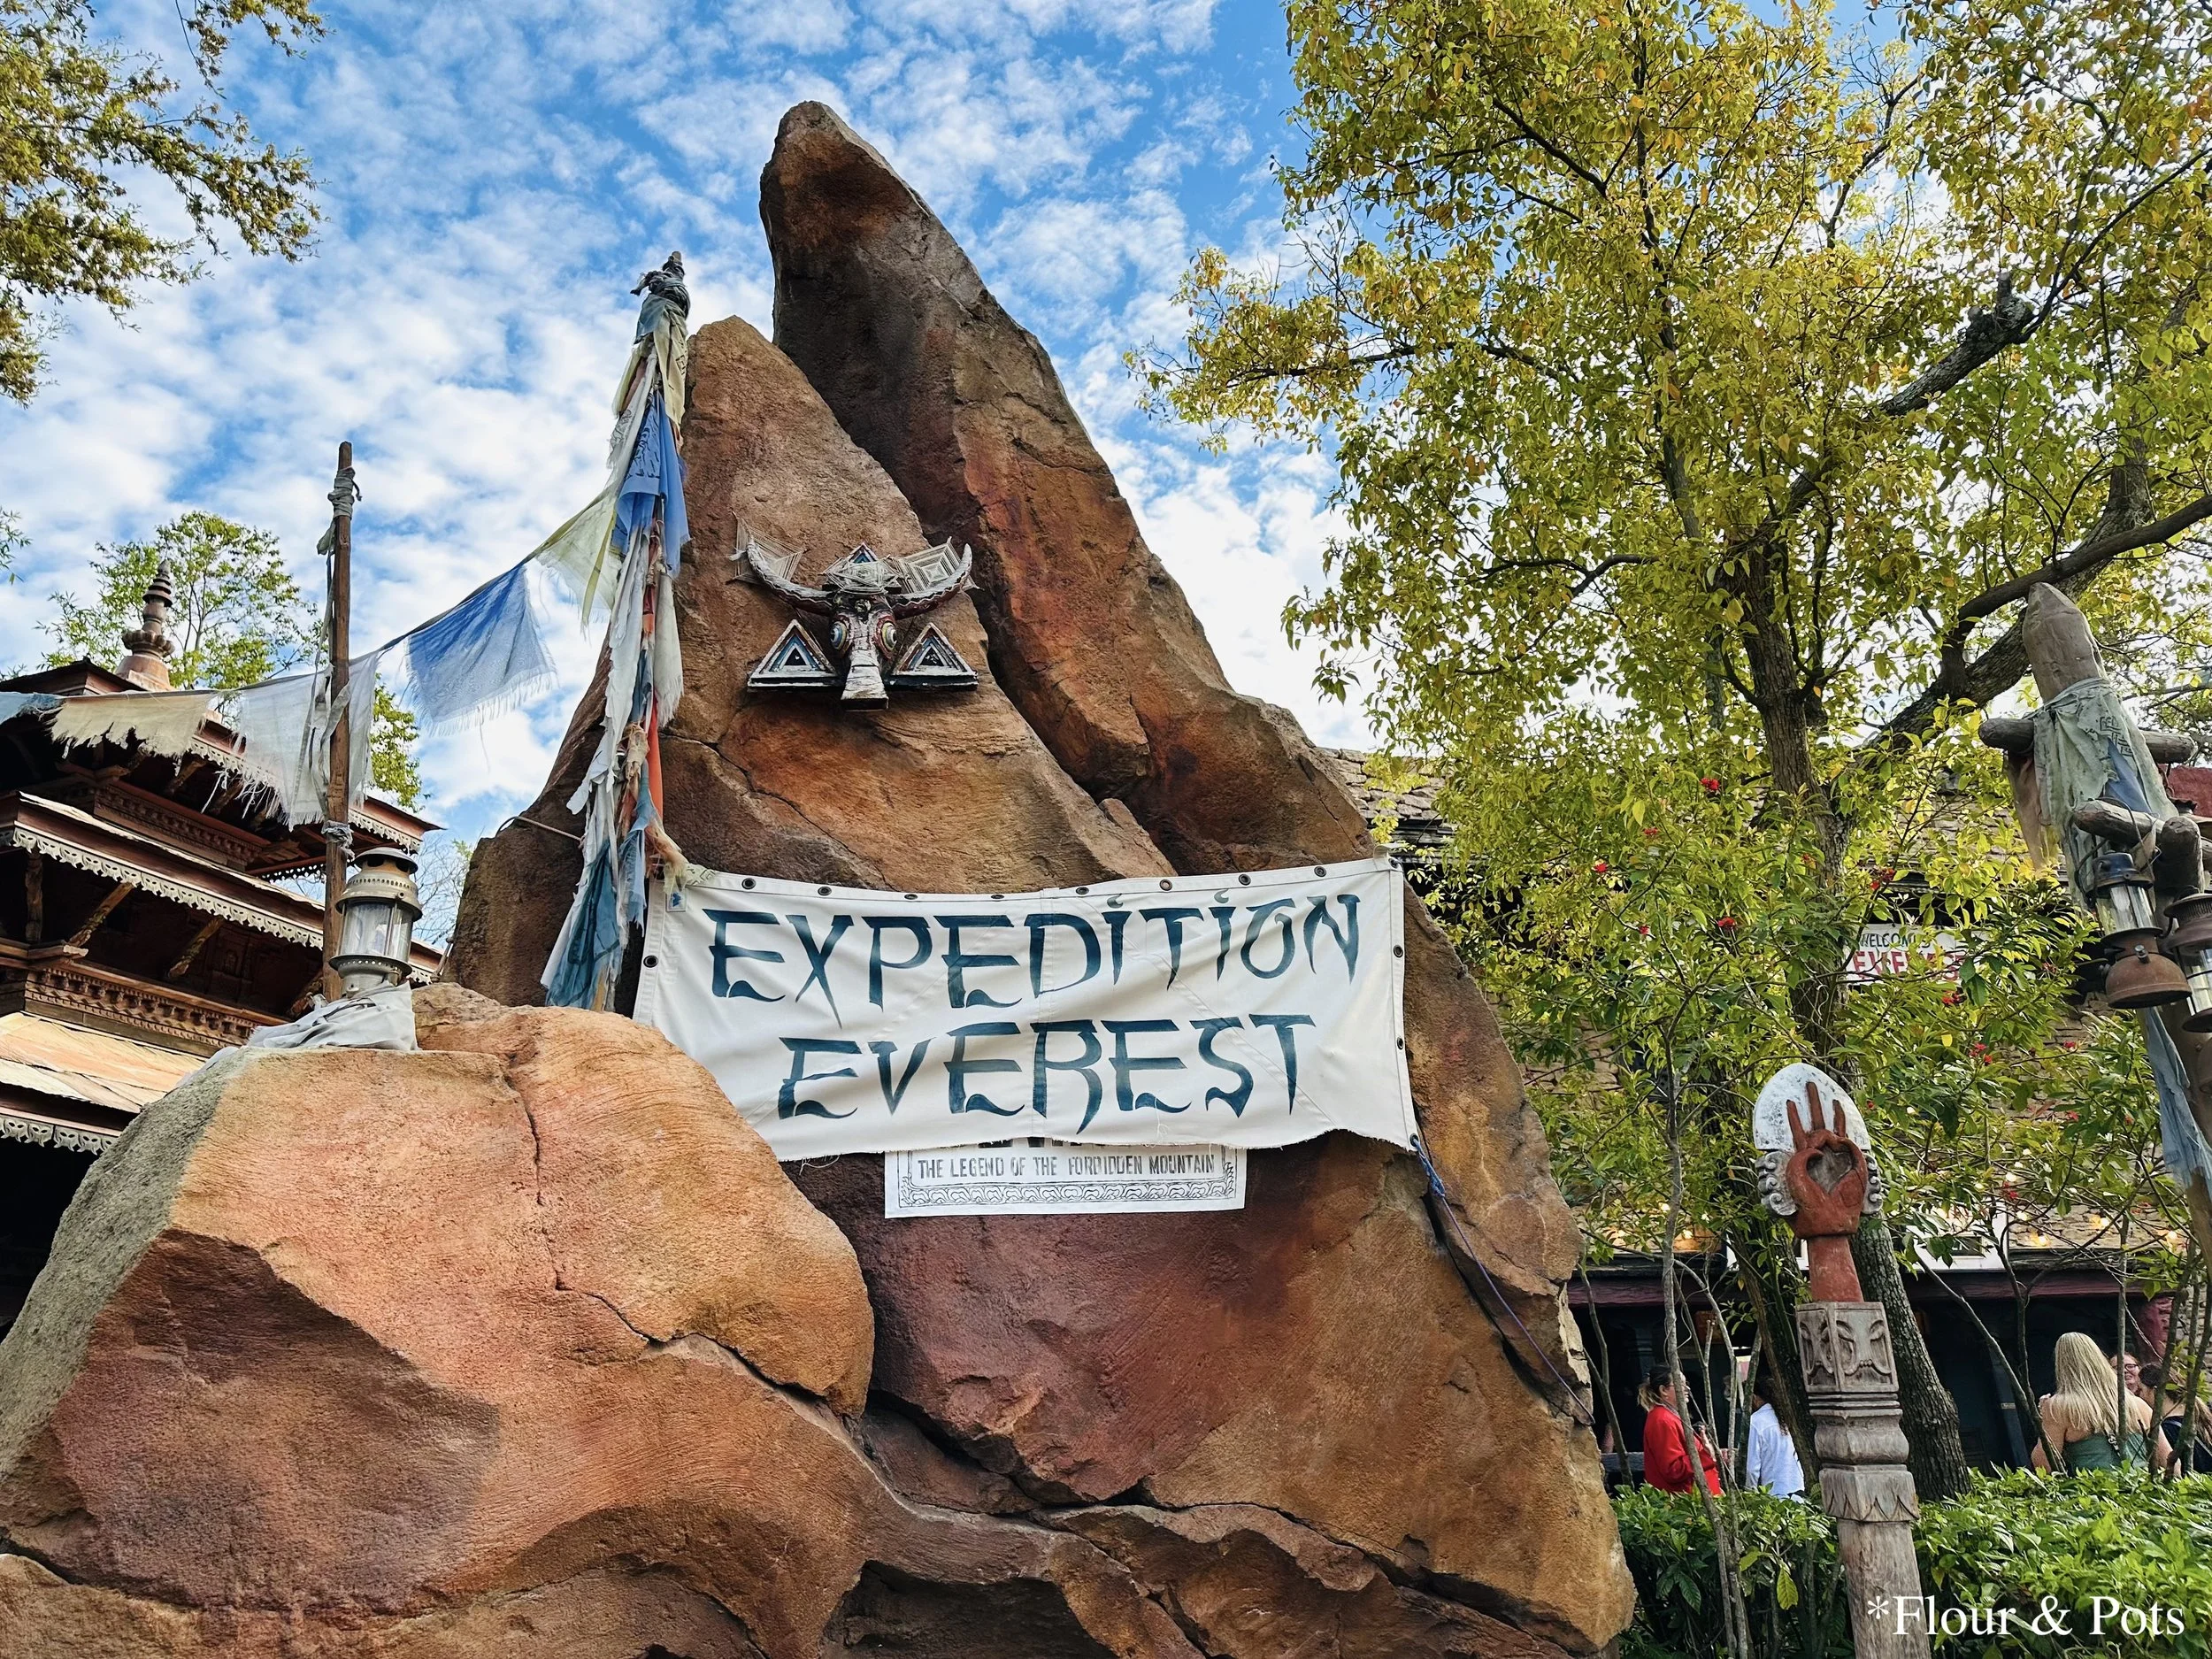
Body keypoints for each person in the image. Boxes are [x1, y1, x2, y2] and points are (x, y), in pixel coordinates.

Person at [2031, 1331, 2167, 1473]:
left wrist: (2043, 1418)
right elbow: (2168, 1461)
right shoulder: (2139, 1405)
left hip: (2093, 1492)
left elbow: (2044, 1465)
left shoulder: (2060, 1407)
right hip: (2140, 1492)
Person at [1640, 1364, 1722, 1494]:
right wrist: (1706, 1455)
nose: (1687, 1388)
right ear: (1663, 1390)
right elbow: (1673, 1470)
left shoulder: (1669, 1416)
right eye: (1680, 1383)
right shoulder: (1663, 1420)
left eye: (1686, 1383)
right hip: (1687, 1504)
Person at [1743, 1371, 1805, 1498]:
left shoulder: (1756, 1421)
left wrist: (1751, 1495)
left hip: (1774, 1493)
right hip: (1799, 1488)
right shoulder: (1788, 1416)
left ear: (1754, 1398)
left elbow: (1752, 1468)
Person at [2143, 1364, 2212, 1474]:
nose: (2139, 1396)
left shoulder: (2167, 1430)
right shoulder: (2201, 1414)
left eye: (2140, 1390)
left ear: (2156, 1392)